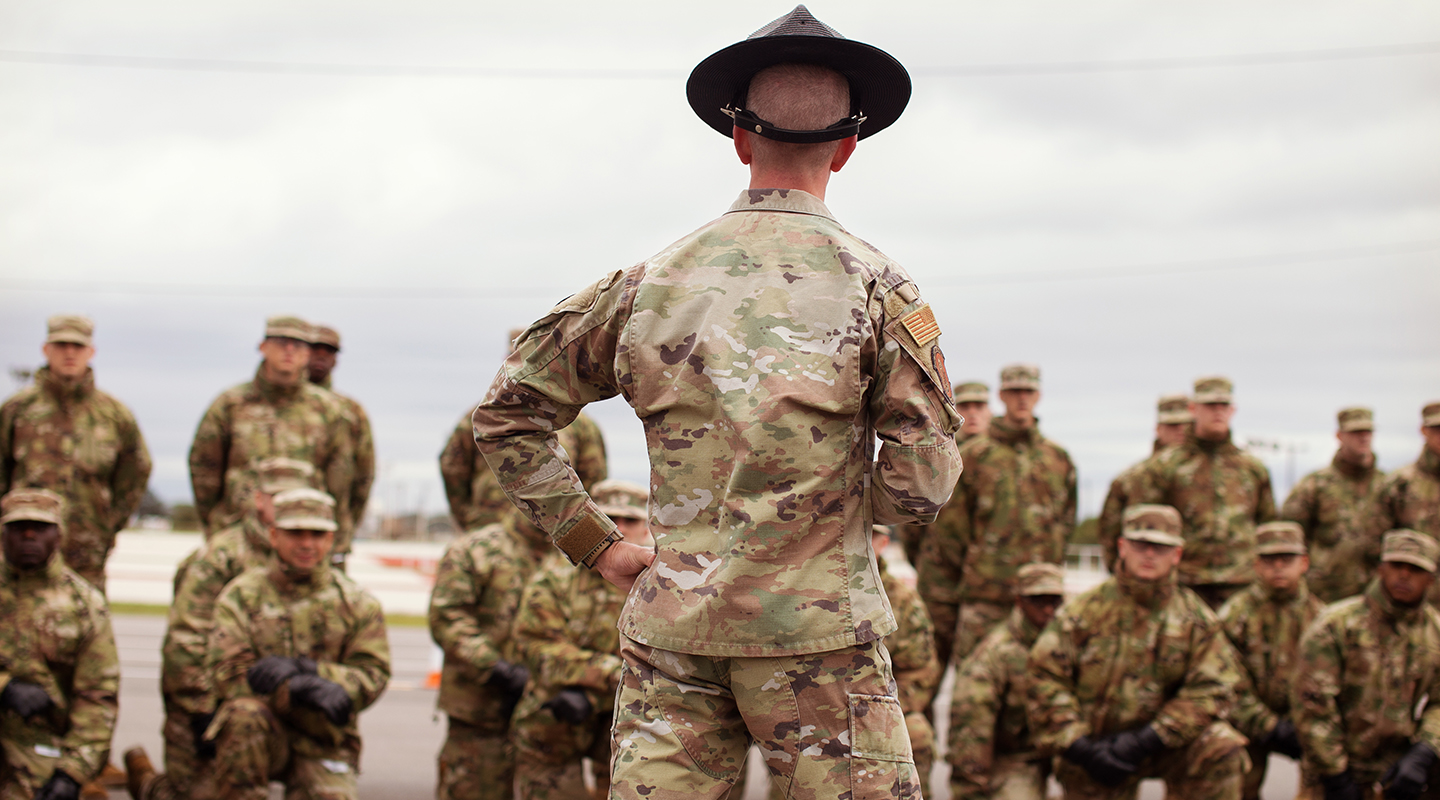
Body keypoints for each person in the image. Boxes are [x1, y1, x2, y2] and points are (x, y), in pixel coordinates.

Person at [472, 7, 962, 798]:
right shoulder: (881, 290)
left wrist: (599, 546)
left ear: (739, 139)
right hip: (820, 644)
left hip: (675, 639)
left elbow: (507, 415)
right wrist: (827, 522)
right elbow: (920, 488)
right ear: (847, 148)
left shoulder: (646, 286)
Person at [123, 458, 316, 800]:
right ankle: (147, 783)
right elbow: (186, 640)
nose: (290, 508)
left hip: (277, 703)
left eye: (297, 499)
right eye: (279, 498)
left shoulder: (310, 558)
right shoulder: (221, 556)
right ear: (259, 500)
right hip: (212, 701)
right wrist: (202, 709)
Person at [1027, 504, 1248, 799]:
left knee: (1222, 747)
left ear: (1177, 554)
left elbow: (1214, 687)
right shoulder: (1082, 612)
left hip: (1164, 743)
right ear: (1122, 547)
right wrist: (1079, 746)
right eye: (1141, 545)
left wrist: (1149, 738)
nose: (1150, 555)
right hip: (1096, 747)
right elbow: (1044, 677)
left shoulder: (1196, 619)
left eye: (1161, 547)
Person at [202, 488, 390, 800]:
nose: (306, 543)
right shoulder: (241, 596)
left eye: (317, 534)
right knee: (242, 714)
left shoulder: (357, 603)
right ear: (274, 536)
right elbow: (227, 674)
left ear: (331, 540)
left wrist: (313, 673)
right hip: (258, 736)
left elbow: (373, 674)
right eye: (295, 533)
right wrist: (296, 690)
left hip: (324, 740)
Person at [916, 362, 1076, 671]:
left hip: (1040, 599)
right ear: (1002, 395)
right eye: (1014, 391)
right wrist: (974, 573)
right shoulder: (976, 457)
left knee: (1038, 679)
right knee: (974, 679)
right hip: (985, 597)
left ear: (1038, 395)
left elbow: (1066, 522)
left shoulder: (1058, 459)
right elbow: (950, 533)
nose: (1021, 399)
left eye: (1028, 391)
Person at [509, 480, 652, 800]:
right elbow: (537, 647)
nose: (620, 528)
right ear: (594, 523)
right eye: (610, 518)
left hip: (627, 727)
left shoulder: (656, 584)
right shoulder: (554, 579)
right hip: (554, 722)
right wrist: (611, 672)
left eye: (630, 520)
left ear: (645, 527)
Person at [0, 315, 152, 592]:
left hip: (87, 551)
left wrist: (107, 524)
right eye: (61, 345)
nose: (69, 353)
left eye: (78, 346)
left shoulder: (114, 414)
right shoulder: (17, 410)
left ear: (91, 352)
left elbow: (136, 472)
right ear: (46, 349)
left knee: (87, 616)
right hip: (23, 550)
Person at [1293, 529, 1440, 800]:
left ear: (1430, 579)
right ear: (1381, 569)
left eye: (1415, 569)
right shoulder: (1336, 624)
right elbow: (1312, 706)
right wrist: (1336, 777)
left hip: (1398, 770)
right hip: (1334, 770)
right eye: (1397, 565)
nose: (1404, 575)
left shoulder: (1435, 631)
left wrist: (1425, 751)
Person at [188, 315, 354, 543]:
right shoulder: (231, 404)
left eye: (298, 345)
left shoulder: (328, 410)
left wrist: (337, 536)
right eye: (281, 342)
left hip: (304, 537)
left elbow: (341, 478)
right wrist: (216, 523)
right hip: (239, 533)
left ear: (307, 354)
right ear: (263, 347)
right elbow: (204, 469)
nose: (289, 351)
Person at [0, 488, 119, 800]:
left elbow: (97, 697)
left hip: (40, 746)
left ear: (59, 536)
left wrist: (73, 773)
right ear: (3, 534)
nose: (28, 536)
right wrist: (4, 686)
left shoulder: (85, 605)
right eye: (18, 527)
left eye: (40, 528)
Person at [429, 505, 554, 800]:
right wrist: (496, 668)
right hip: (480, 711)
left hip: (552, 719)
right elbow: (448, 616)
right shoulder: (475, 550)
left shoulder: (574, 552)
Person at [439, 330, 607, 533]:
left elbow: (594, 481)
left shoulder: (581, 424)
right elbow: (453, 466)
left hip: (552, 536)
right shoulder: (483, 415)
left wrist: (579, 526)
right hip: (496, 532)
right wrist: (470, 517)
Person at [1131, 376, 1276, 609]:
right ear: (1193, 409)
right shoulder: (1165, 467)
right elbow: (1141, 528)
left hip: (1240, 585)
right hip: (1183, 583)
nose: (1217, 412)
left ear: (1232, 410)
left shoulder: (1252, 469)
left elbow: (1267, 526)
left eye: (1223, 405)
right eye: (1210, 405)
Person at [1217, 521, 1322, 800]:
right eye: (1269, 560)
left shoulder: (1322, 618)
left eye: (1286, 559)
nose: (1278, 567)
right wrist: (1269, 726)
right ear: (1256, 565)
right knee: (1229, 769)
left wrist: (1304, 725)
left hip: (1304, 726)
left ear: (1304, 563)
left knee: (1329, 771)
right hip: (1246, 724)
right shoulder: (1235, 615)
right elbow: (1224, 681)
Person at [948, 562, 1064, 800]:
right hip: (1017, 756)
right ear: (1020, 601)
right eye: (1038, 601)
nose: (1048, 609)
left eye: (1055, 601)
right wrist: (971, 791)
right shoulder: (994, 655)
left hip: (1067, 749)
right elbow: (971, 731)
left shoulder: (1069, 642)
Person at [1280, 406, 1384, 603]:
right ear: (1339, 435)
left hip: (1376, 596)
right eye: (1356, 432)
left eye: (1368, 432)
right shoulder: (1314, 485)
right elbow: (1288, 537)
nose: (1363, 438)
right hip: (1324, 595)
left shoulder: (1387, 487)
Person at [892, 380, 989, 566]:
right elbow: (912, 517)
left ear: (989, 412)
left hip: (989, 564)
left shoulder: (1001, 459)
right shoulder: (937, 457)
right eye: (965, 407)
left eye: (979, 406)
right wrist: (924, 562)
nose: (972, 413)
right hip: (940, 564)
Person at [305, 325, 375, 564]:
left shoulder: (350, 412)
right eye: (315, 349)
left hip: (330, 535)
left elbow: (364, 477)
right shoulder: (266, 407)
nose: (321, 357)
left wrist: (344, 525)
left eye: (329, 351)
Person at [1097, 393, 1191, 572]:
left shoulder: (1218, 474)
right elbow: (1109, 532)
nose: (1181, 431)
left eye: (1187, 425)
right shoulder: (1132, 478)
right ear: (1158, 428)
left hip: (1196, 575)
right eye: (1173, 425)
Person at [1373, 402, 1440, 600]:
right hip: (1409, 598)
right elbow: (1374, 545)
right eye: (1437, 429)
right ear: (1424, 430)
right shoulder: (1399, 483)